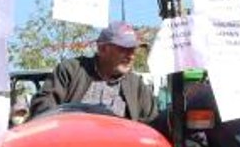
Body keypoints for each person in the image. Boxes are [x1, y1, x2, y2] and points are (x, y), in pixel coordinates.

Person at [29, 21, 157, 121]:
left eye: (133, 50)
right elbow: (42, 108)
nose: (131, 56)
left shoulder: (136, 85)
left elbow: (151, 124)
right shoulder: (71, 71)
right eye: (124, 49)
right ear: (102, 49)